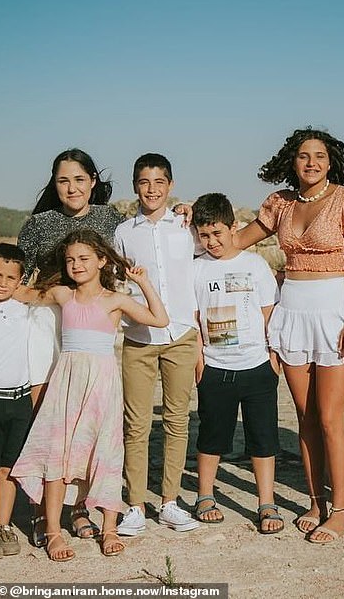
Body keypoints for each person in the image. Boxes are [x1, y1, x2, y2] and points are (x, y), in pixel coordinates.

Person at [236, 128, 344, 543]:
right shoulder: (280, 203)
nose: (311, 162)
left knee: (332, 418)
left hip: (333, 309)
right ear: (292, 161)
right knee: (306, 417)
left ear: (330, 161)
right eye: (303, 155)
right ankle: (315, 501)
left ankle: (341, 509)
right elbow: (238, 241)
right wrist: (193, 223)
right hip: (292, 308)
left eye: (319, 155)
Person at [11, 229, 169, 561]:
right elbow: (20, 293)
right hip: (66, 383)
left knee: (106, 451)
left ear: (101, 260)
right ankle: (53, 531)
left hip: (102, 385)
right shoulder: (62, 295)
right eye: (70, 260)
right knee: (59, 451)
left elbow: (160, 319)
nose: (76, 265)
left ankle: (108, 527)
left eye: (83, 258)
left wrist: (143, 283)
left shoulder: (115, 300)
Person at [17, 148, 123, 545]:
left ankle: (78, 510)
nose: (72, 187)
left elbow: (138, 253)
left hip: (92, 327)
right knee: (47, 415)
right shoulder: (38, 225)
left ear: (93, 181)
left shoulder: (111, 219)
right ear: (54, 184)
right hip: (48, 323)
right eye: (63, 180)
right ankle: (40, 511)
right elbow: (19, 276)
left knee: (89, 421)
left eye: (79, 179)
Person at [114, 153, 200, 535]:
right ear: (136, 186)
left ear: (171, 185)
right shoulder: (123, 233)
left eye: (159, 182)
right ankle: (134, 505)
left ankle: (169, 501)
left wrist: (194, 211)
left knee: (177, 420)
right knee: (135, 423)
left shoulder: (186, 225)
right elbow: (119, 283)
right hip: (139, 337)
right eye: (144, 182)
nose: (152, 189)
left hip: (181, 334)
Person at [191, 193, 284, 534]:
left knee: (263, 438)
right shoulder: (197, 268)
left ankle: (266, 501)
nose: (212, 241)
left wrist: (273, 357)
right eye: (204, 235)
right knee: (212, 434)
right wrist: (198, 359)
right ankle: (204, 495)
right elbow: (194, 315)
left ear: (233, 228)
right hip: (216, 367)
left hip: (257, 365)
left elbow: (268, 311)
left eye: (218, 233)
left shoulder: (254, 265)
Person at [0, 244, 31, 558]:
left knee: (9, 469)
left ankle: (3, 526)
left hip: (20, 402)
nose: (2, 283)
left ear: (20, 282)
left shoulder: (25, 307)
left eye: (9, 277)